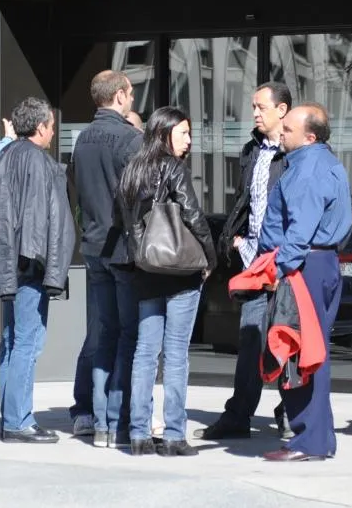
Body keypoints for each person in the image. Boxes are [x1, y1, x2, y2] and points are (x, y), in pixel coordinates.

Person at [116, 107, 217, 457]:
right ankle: (174, 434)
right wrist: (210, 256)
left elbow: (127, 222)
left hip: (147, 270)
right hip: (180, 270)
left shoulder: (132, 170)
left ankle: (139, 434)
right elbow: (192, 214)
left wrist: (141, 258)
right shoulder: (173, 168)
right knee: (176, 355)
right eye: (184, 133)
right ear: (164, 133)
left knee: (145, 353)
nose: (189, 141)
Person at [257, 103, 352, 462]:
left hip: (302, 267)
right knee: (314, 352)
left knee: (300, 352)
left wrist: (278, 269)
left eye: (288, 130)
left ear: (309, 136)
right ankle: (318, 438)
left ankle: (307, 442)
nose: (281, 133)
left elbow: (300, 229)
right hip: (320, 262)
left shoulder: (308, 169)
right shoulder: (328, 163)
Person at [196, 82, 291, 441]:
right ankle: (239, 416)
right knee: (251, 338)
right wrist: (233, 239)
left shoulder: (294, 151)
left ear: (281, 110)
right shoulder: (252, 150)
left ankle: (290, 409)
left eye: (260, 106)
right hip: (253, 261)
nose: (254, 113)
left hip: (284, 262)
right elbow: (245, 201)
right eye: (253, 106)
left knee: (285, 339)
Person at [0, 97, 77, 444]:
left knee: (12, 342)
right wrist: (45, 267)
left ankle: (13, 417)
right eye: (52, 126)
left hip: (13, 263)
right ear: (40, 127)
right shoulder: (36, 161)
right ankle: (18, 421)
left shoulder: (6, 156)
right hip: (29, 264)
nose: (53, 132)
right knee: (26, 343)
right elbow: (40, 220)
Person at [70, 71, 143, 448]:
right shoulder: (129, 139)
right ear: (118, 96)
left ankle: (99, 423)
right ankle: (117, 422)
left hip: (93, 247)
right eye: (130, 93)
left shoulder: (82, 139)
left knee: (103, 334)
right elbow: (142, 196)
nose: (132, 99)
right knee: (127, 335)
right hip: (122, 249)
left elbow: (77, 194)